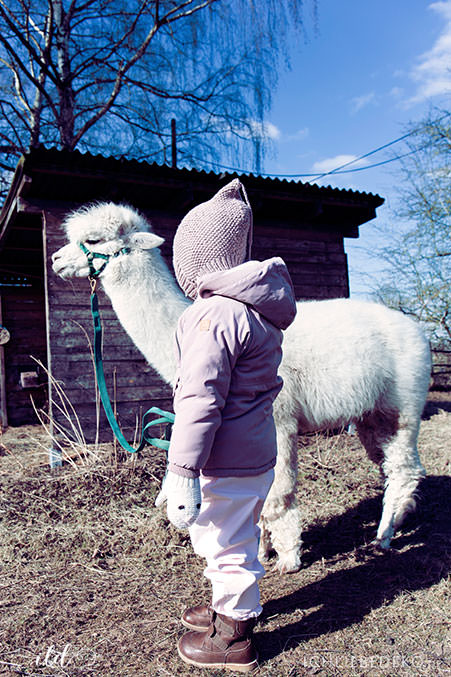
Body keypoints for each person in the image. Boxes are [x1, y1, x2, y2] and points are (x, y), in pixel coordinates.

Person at [155, 179, 297, 672]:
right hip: (251, 452)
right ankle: (229, 603)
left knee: (225, 541)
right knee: (230, 532)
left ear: (197, 260)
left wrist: (182, 468)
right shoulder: (254, 312)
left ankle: (233, 636)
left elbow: (200, 397)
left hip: (224, 457)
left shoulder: (212, 314)